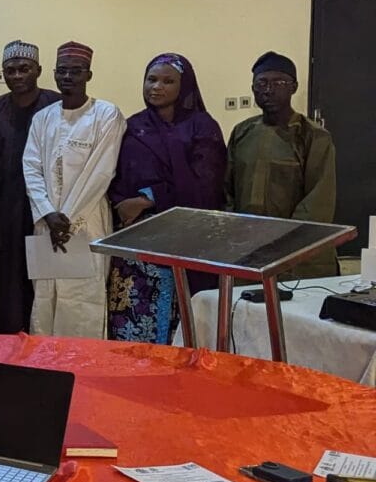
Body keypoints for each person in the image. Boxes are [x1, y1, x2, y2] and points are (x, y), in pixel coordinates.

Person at [107, 54, 227, 343]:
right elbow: (114, 174)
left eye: (167, 81)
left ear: (184, 86)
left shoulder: (201, 126)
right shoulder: (133, 127)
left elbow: (206, 183)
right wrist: (123, 203)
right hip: (136, 244)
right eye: (151, 79)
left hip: (186, 239)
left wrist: (149, 198)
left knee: (185, 328)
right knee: (133, 328)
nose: (156, 87)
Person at [23, 42, 125, 338]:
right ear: (54, 74)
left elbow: (101, 171)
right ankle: (45, 366)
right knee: (45, 297)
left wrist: (65, 218)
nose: (68, 77)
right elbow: (31, 168)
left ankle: (83, 369)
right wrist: (48, 213)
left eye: (76, 71)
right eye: (62, 71)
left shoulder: (106, 115)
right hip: (46, 223)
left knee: (83, 299)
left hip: (85, 222)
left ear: (88, 75)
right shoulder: (43, 118)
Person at [225, 51, 339, 280]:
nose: (268, 90)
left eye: (278, 83)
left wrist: (284, 243)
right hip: (247, 251)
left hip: (297, 257)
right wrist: (234, 232)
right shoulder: (242, 132)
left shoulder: (313, 136)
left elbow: (318, 201)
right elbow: (228, 190)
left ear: (294, 87)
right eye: (261, 83)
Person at [0, 41, 62, 335]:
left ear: (38, 70)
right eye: (10, 70)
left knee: (45, 277)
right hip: (7, 208)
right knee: (8, 278)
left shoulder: (56, 105)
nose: (17, 76)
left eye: (24, 69)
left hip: (48, 207)